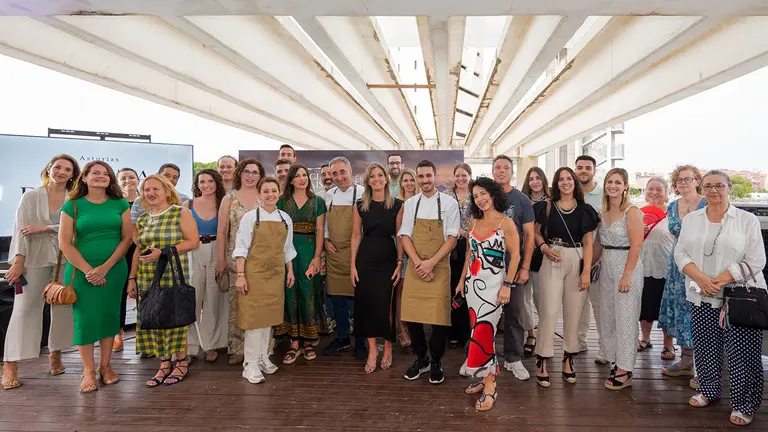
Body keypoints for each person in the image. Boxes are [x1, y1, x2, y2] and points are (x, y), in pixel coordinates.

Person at [676, 170, 765, 427]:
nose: (714, 190)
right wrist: (701, 278)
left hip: (739, 298)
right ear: (702, 189)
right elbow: (680, 252)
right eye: (708, 186)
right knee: (705, 346)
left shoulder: (746, 221)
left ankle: (743, 404)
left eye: (719, 186)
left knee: (743, 352)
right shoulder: (692, 219)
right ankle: (708, 390)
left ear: (729, 189)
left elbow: (757, 259)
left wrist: (720, 280)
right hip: (701, 293)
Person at [2, 154, 79, 391]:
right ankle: (10, 364)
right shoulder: (31, 195)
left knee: (63, 306)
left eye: (67, 169)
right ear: (49, 169)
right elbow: (20, 230)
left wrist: (47, 228)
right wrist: (17, 261)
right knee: (25, 309)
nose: (61, 171)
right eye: (58, 167)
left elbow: (78, 229)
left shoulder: (74, 199)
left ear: (73, 174)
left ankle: (56, 354)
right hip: (33, 258)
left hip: (64, 259)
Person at [58, 161, 133, 392]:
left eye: (106, 174)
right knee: (85, 320)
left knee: (109, 317)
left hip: (113, 270)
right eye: (95, 173)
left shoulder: (120, 204)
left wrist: (106, 267)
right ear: (84, 178)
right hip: (81, 272)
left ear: (111, 179)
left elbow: (127, 239)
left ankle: (106, 366)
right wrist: (88, 270)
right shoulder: (72, 205)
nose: (101, 176)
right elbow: (64, 243)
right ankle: (88, 371)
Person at [128, 175, 199, 387]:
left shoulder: (180, 213)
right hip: (147, 275)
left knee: (175, 315)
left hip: (172, 272)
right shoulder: (143, 219)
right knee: (154, 317)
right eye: (146, 189)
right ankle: (164, 363)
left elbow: (193, 241)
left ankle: (182, 362)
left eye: (155, 189)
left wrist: (164, 252)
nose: (150, 193)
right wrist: (132, 277)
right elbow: (138, 251)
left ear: (167, 191)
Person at [457, 176, 520, 411]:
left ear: (493, 194)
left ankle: (491, 384)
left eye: (483, 193)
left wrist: (507, 284)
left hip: (494, 287)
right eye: (475, 196)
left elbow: (516, 257)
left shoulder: (506, 223)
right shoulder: (473, 222)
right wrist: (462, 280)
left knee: (486, 332)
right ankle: (484, 377)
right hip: (473, 286)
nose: (480, 199)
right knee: (478, 331)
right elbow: (468, 255)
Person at [533, 167, 598, 388]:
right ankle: (542, 359)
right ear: (555, 183)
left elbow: (589, 243)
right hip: (552, 255)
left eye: (569, 178)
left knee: (574, 313)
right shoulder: (547, 207)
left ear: (575, 182)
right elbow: (535, 231)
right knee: (549, 311)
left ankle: (568, 359)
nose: (565, 182)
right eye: (560, 179)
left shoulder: (586, 210)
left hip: (577, 257)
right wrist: (543, 247)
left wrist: (586, 271)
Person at [399, 160, 460, 385]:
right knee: (413, 316)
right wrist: (418, 263)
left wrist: (431, 263)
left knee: (439, 320)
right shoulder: (411, 203)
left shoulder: (449, 203)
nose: (425, 180)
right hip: (416, 267)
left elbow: (452, 238)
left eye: (428, 176)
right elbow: (405, 235)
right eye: (421, 176)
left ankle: (436, 360)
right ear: (417, 178)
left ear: (435, 176)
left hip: (439, 267)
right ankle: (421, 358)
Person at [233, 176, 297, 384]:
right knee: (254, 321)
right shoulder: (250, 218)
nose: (270, 194)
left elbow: (287, 248)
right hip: (253, 275)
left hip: (276, 275)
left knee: (268, 319)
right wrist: (241, 276)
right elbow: (241, 248)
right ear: (259, 194)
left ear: (279, 193)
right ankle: (249, 364)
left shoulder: (285, 218)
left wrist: (290, 271)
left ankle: (262, 358)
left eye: (274, 191)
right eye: (266, 191)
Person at [592, 168, 644, 390]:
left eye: (617, 182)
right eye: (609, 182)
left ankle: (625, 368)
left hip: (627, 265)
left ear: (625, 187)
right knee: (609, 316)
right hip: (607, 265)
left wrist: (627, 274)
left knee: (626, 317)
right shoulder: (602, 213)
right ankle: (615, 359)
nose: (612, 186)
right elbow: (597, 244)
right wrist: (586, 267)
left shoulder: (632, 212)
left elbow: (637, 244)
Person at [350, 163, 404, 373]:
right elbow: (356, 235)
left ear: (386, 178)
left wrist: (400, 263)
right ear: (367, 181)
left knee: (385, 305)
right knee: (366, 304)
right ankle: (372, 349)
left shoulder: (398, 205)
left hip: (388, 258)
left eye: (380, 175)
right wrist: (352, 266)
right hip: (365, 258)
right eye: (372, 176)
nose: (376, 179)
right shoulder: (360, 204)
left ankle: (388, 347)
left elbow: (400, 237)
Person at [276, 165, 326, 363]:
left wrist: (316, 257)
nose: (302, 179)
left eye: (305, 175)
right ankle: (293, 342)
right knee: (290, 293)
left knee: (308, 292)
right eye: (297, 176)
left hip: (309, 251)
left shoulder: (318, 201)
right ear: (290, 180)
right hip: (287, 252)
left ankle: (308, 341)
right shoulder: (281, 201)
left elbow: (320, 230)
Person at [658, 165, 705, 379]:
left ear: (697, 181)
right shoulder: (673, 206)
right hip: (676, 264)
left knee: (700, 311)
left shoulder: (706, 204)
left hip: (701, 262)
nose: (684, 183)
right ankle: (686, 360)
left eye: (688, 179)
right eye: (680, 180)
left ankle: (704, 366)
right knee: (681, 309)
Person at [216, 158, 264, 364]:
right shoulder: (229, 198)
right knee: (237, 305)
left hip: (262, 261)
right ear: (240, 174)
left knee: (260, 306)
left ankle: (262, 349)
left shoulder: (266, 196)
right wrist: (220, 260)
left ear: (260, 175)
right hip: (235, 259)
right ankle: (237, 348)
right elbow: (222, 231)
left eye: (255, 172)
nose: (251, 175)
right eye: (247, 171)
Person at [492, 155, 534, 380]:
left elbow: (529, 235)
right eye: (497, 167)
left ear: (512, 172)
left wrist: (525, 266)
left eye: (505, 168)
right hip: (487, 267)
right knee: (486, 314)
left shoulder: (521, 200)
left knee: (514, 313)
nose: (501, 171)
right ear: (492, 172)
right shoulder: (485, 197)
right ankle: (483, 357)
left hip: (513, 265)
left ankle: (513, 358)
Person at [323, 157, 367, 359]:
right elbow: (322, 224)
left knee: (359, 301)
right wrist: (325, 240)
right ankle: (342, 337)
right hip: (334, 254)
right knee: (338, 299)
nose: (339, 177)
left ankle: (360, 340)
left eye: (342, 172)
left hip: (355, 255)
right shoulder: (328, 195)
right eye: (334, 173)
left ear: (350, 171)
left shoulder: (362, 194)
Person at [183, 169, 229, 362]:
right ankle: (190, 347)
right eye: (202, 181)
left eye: (210, 181)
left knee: (213, 300)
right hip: (193, 252)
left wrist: (222, 259)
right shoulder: (188, 205)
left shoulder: (224, 203)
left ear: (217, 182)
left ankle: (211, 345)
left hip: (217, 251)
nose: (206, 185)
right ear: (197, 184)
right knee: (192, 299)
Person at [574, 155, 607, 363]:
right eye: (580, 168)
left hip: (598, 256)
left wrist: (597, 257)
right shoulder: (570, 192)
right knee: (578, 302)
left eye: (588, 167)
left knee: (599, 303)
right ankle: (578, 340)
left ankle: (605, 346)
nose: (583, 171)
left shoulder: (604, 194)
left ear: (594, 171)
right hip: (574, 254)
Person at [638, 178, 675, 354]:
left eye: (659, 189)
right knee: (645, 305)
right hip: (643, 265)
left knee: (666, 306)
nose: (654, 192)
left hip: (666, 267)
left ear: (666, 192)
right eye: (650, 189)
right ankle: (645, 338)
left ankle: (668, 344)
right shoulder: (637, 212)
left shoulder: (673, 214)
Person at [519, 166, 550, 356]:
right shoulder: (522, 201)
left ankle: (544, 335)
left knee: (543, 298)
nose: (535, 182)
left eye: (538, 178)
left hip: (542, 255)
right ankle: (531, 334)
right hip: (522, 254)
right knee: (524, 299)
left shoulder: (551, 202)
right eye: (531, 179)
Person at [114, 167, 140, 353]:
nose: (128, 181)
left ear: (138, 180)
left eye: (132, 177)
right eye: (123, 178)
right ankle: (118, 333)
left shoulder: (147, 199)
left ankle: (145, 333)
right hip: (120, 252)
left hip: (142, 251)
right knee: (120, 293)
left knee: (144, 291)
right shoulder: (113, 203)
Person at [448, 163, 472, 349]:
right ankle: (454, 331)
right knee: (454, 286)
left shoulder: (477, 194)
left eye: (464, 175)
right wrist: (461, 231)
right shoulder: (447, 196)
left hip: (473, 246)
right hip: (453, 246)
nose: (461, 179)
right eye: (458, 175)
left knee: (469, 287)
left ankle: (468, 331)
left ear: (470, 176)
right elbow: (444, 219)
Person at [395, 168, 420, 348]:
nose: (409, 183)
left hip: (421, 254)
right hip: (403, 255)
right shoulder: (398, 204)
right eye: (406, 180)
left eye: (412, 180)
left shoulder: (423, 202)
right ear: (401, 184)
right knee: (401, 293)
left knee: (415, 294)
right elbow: (398, 234)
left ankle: (413, 326)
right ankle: (401, 329)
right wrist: (400, 258)